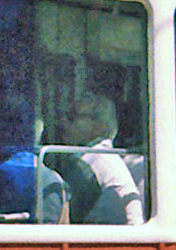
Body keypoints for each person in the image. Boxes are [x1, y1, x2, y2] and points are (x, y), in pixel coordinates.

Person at [43, 95, 144, 225]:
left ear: (99, 126)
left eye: (72, 117)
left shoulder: (96, 162)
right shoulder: (90, 157)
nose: (63, 122)